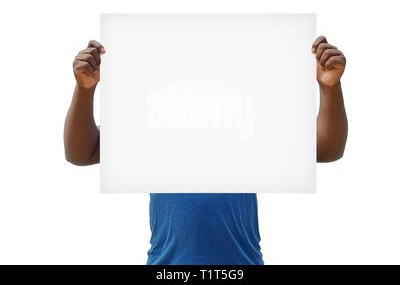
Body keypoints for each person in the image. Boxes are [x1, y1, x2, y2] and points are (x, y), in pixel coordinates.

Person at [64, 36, 348, 264]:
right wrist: (85, 89)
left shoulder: (246, 123)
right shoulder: (154, 124)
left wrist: (330, 88)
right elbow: (82, 153)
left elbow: (327, 148)